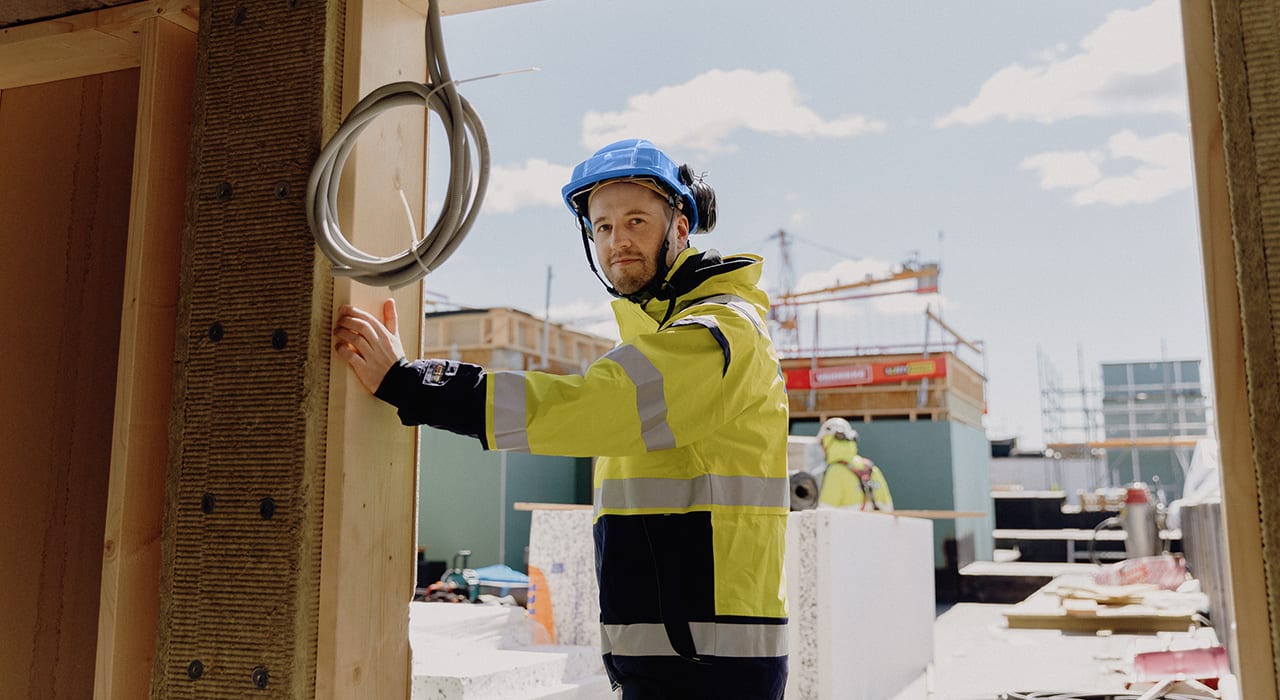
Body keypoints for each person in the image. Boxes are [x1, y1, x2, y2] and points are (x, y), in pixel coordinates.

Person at [332, 139, 790, 698]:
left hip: (708, 664)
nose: (617, 241)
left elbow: (597, 404)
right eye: (601, 227)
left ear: (681, 227)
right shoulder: (660, 336)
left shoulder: (721, 332)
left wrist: (418, 386)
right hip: (676, 654)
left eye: (636, 220)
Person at [816, 417, 894, 511]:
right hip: (877, 525)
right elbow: (889, 508)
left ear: (828, 442)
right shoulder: (870, 468)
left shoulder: (835, 471)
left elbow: (824, 514)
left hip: (848, 525)